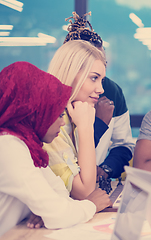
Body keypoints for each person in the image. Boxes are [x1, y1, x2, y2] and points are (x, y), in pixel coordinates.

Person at [0, 62, 111, 236]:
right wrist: (92, 204)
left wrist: (49, 210)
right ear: (34, 112)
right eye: (58, 115)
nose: (61, 122)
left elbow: (59, 196)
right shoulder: (9, 147)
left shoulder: (28, 145)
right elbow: (58, 214)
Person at [63, 12, 135, 180]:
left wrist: (105, 170)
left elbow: (124, 146)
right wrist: (100, 123)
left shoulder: (111, 91)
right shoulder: (51, 103)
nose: (100, 89)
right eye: (93, 76)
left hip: (94, 188)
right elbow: (69, 161)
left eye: (103, 63)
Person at [43, 40, 106, 200]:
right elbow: (85, 191)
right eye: (94, 78)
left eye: (101, 80)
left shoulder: (74, 115)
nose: (101, 89)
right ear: (71, 74)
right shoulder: (50, 122)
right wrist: (86, 128)